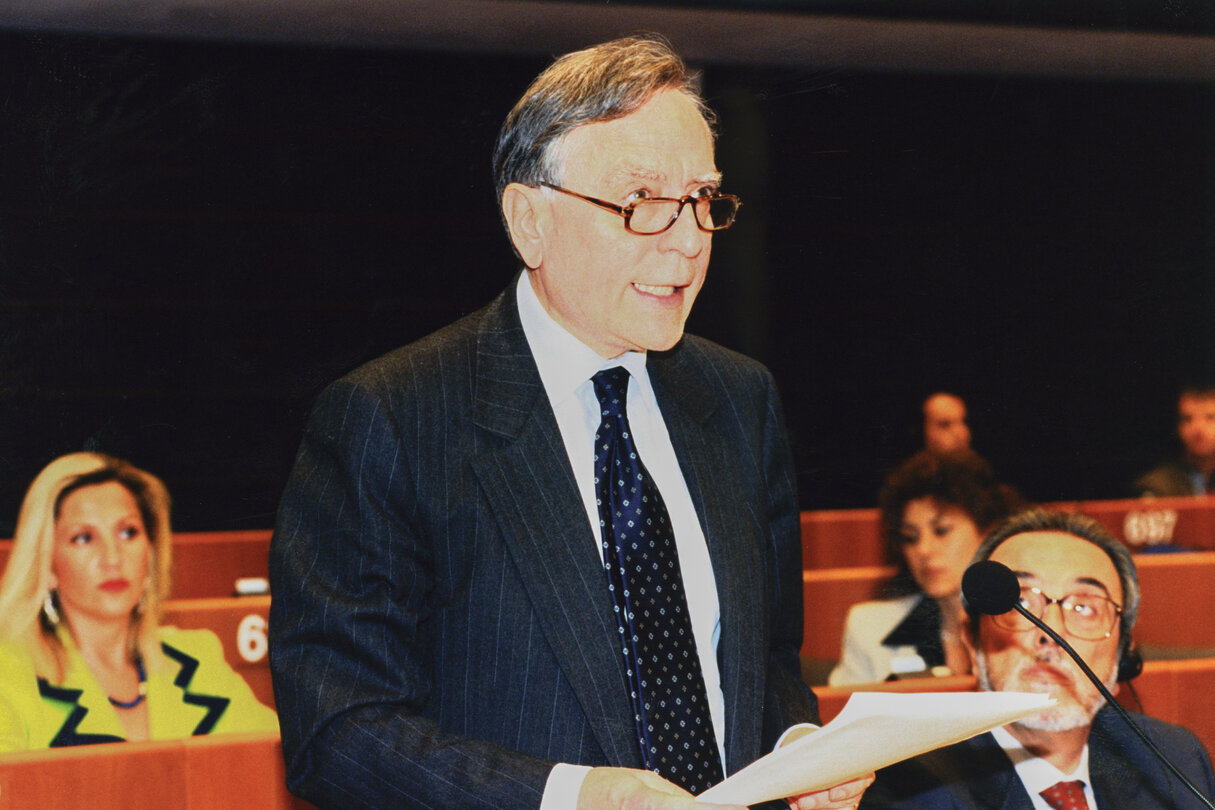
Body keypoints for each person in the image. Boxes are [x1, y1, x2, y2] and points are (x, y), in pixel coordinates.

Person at [268, 34, 872, 810]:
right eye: (643, 203)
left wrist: (798, 748)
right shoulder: (394, 416)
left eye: (701, 200)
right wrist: (568, 797)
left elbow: (767, 659)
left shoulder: (737, 399)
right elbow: (337, 731)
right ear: (529, 221)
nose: (688, 242)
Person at [861, 508, 1215, 809]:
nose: (1050, 631)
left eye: (1084, 607)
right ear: (973, 642)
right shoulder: (912, 787)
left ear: (1122, 656)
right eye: (1024, 603)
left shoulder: (1174, 759)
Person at [0, 452, 277, 750]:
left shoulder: (197, 661)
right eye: (83, 537)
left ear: (151, 552)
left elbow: (275, 763)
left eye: (128, 532)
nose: (113, 558)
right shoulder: (11, 673)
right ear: (48, 565)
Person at [829, 450, 1020, 685]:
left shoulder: (1025, 627)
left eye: (941, 531)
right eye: (910, 537)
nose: (923, 550)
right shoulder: (869, 627)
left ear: (988, 533)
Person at [1132, 382, 1215, 496]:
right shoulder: (1156, 487)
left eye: (1210, 418)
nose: (1199, 429)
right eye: (1188, 419)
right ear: (1177, 427)